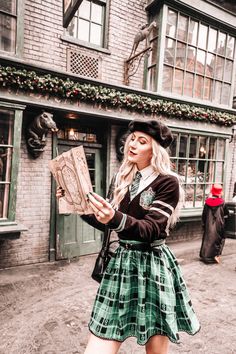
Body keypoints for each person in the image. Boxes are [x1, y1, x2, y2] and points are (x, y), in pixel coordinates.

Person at [57, 119, 200, 354]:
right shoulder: (122, 178)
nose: (133, 143)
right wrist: (76, 203)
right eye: (132, 138)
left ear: (155, 150)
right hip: (121, 264)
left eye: (142, 141)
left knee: (156, 350)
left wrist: (113, 217)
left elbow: (150, 229)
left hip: (153, 266)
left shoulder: (168, 182)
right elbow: (107, 223)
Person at [199, 183, 229, 264]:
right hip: (219, 225)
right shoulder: (222, 203)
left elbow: (204, 215)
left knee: (207, 238)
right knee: (219, 239)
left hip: (208, 224)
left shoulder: (207, 202)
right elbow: (226, 214)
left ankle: (204, 255)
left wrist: (204, 224)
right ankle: (215, 256)